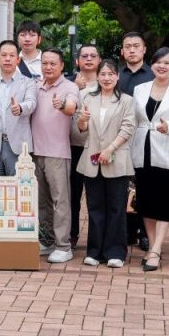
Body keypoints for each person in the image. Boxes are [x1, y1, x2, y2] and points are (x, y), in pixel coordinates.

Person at [130, 47, 169, 272]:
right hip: (142, 149)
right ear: (152, 65)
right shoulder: (140, 89)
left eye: (167, 63)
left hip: (166, 150)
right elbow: (134, 120)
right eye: (158, 62)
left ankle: (155, 249)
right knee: (146, 202)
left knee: (165, 202)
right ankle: (152, 245)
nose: (162, 66)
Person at [76, 58, 136, 268]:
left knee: (116, 208)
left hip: (117, 159)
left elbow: (128, 128)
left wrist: (110, 149)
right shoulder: (88, 97)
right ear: (97, 77)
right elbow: (81, 128)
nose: (107, 78)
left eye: (111, 74)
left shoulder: (126, 101)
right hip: (92, 160)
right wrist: (82, 120)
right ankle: (95, 252)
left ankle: (115, 252)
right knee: (94, 208)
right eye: (103, 74)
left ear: (117, 77)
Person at [30, 48, 78, 263]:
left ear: (62, 66)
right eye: (44, 63)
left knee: (61, 201)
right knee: (42, 201)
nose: (48, 67)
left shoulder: (69, 87)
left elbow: (71, 107)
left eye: (52, 63)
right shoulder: (35, 86)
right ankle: (47, 240)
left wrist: (62, 105)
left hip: (57, 153)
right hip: (35, 152)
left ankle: (63, 246)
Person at [0, 40, 37, 176]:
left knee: (19, 188)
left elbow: (31, 103)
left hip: (18, 148)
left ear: (18, 59)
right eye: (4, 55)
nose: (8, 59)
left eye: (12, 55)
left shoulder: (28, 83)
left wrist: (20, 108)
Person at [117, 31, 153, 251]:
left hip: (144, 137)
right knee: (123, 184)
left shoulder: (153, 75)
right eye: (128, 46)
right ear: (122, 51)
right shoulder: (115, 75)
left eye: (136, 46)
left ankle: (145, 233)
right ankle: (127, 230)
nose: (132, 50)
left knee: (144, 185)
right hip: (119, 138)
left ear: (144, 49)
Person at [69, 43, 100, 248]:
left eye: (93, 56)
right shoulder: (68, 84)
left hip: (96, 148)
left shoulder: (106, 83)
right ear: (77, 61)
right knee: (72, 194)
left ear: (99, 60)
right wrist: (75, 88)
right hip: (72, 146)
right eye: (84, 56)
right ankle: (71, 235)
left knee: (95, 196)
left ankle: (96, 240)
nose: (88, 59)